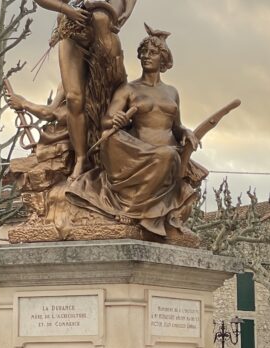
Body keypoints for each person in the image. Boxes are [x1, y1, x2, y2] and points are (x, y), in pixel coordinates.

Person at [65, 24, 204, 236]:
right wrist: (117, 119)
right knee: (161, 154)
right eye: (143, 52)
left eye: (153, 52)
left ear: (163, 59)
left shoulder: (172, 92)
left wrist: (186, 132)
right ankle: (132, 209)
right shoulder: (129, 88)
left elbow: (176, 126)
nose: (146, 56)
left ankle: (150, 213)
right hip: (136, 151)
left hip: (166, 150)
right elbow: (106, 121)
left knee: (168, 155)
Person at [35, 0, 137, 178]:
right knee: (74, 98)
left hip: (103, 29)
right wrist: (67, 9)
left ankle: (109, 153)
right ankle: (81, 158)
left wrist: (127, 11)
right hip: (72, 33)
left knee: (109, 90)